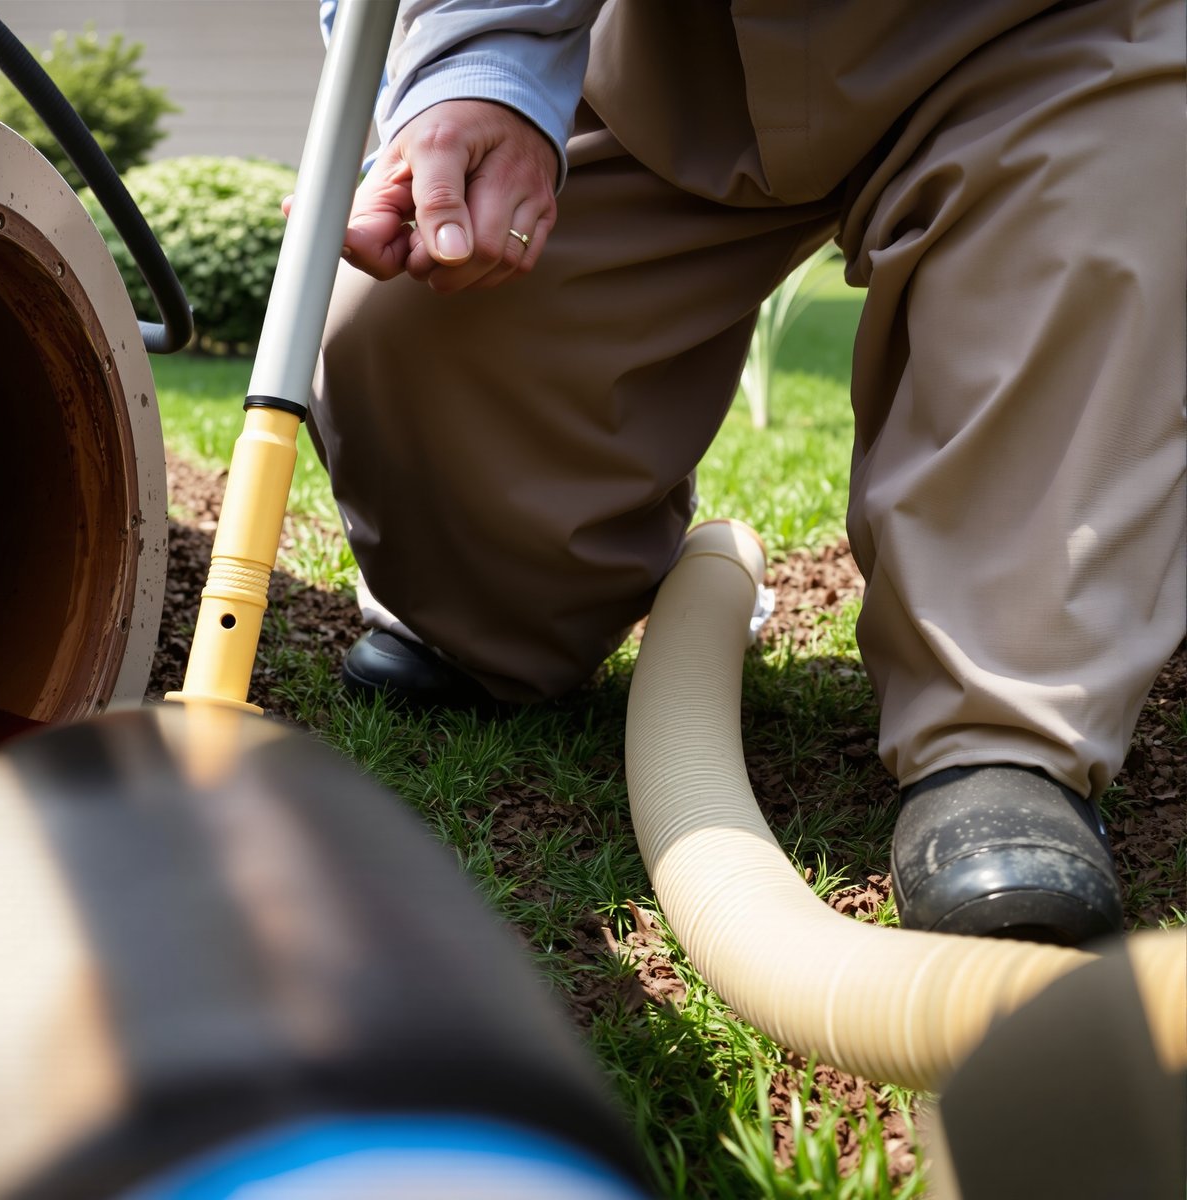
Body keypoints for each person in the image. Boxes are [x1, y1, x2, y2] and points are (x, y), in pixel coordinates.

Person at [308, 0, 1185, 947]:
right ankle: (487, 620)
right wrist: (487, 74)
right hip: (675, 52)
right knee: (407, 325)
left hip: (1039, 38)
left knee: (1105, 233)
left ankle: (1006, 736)